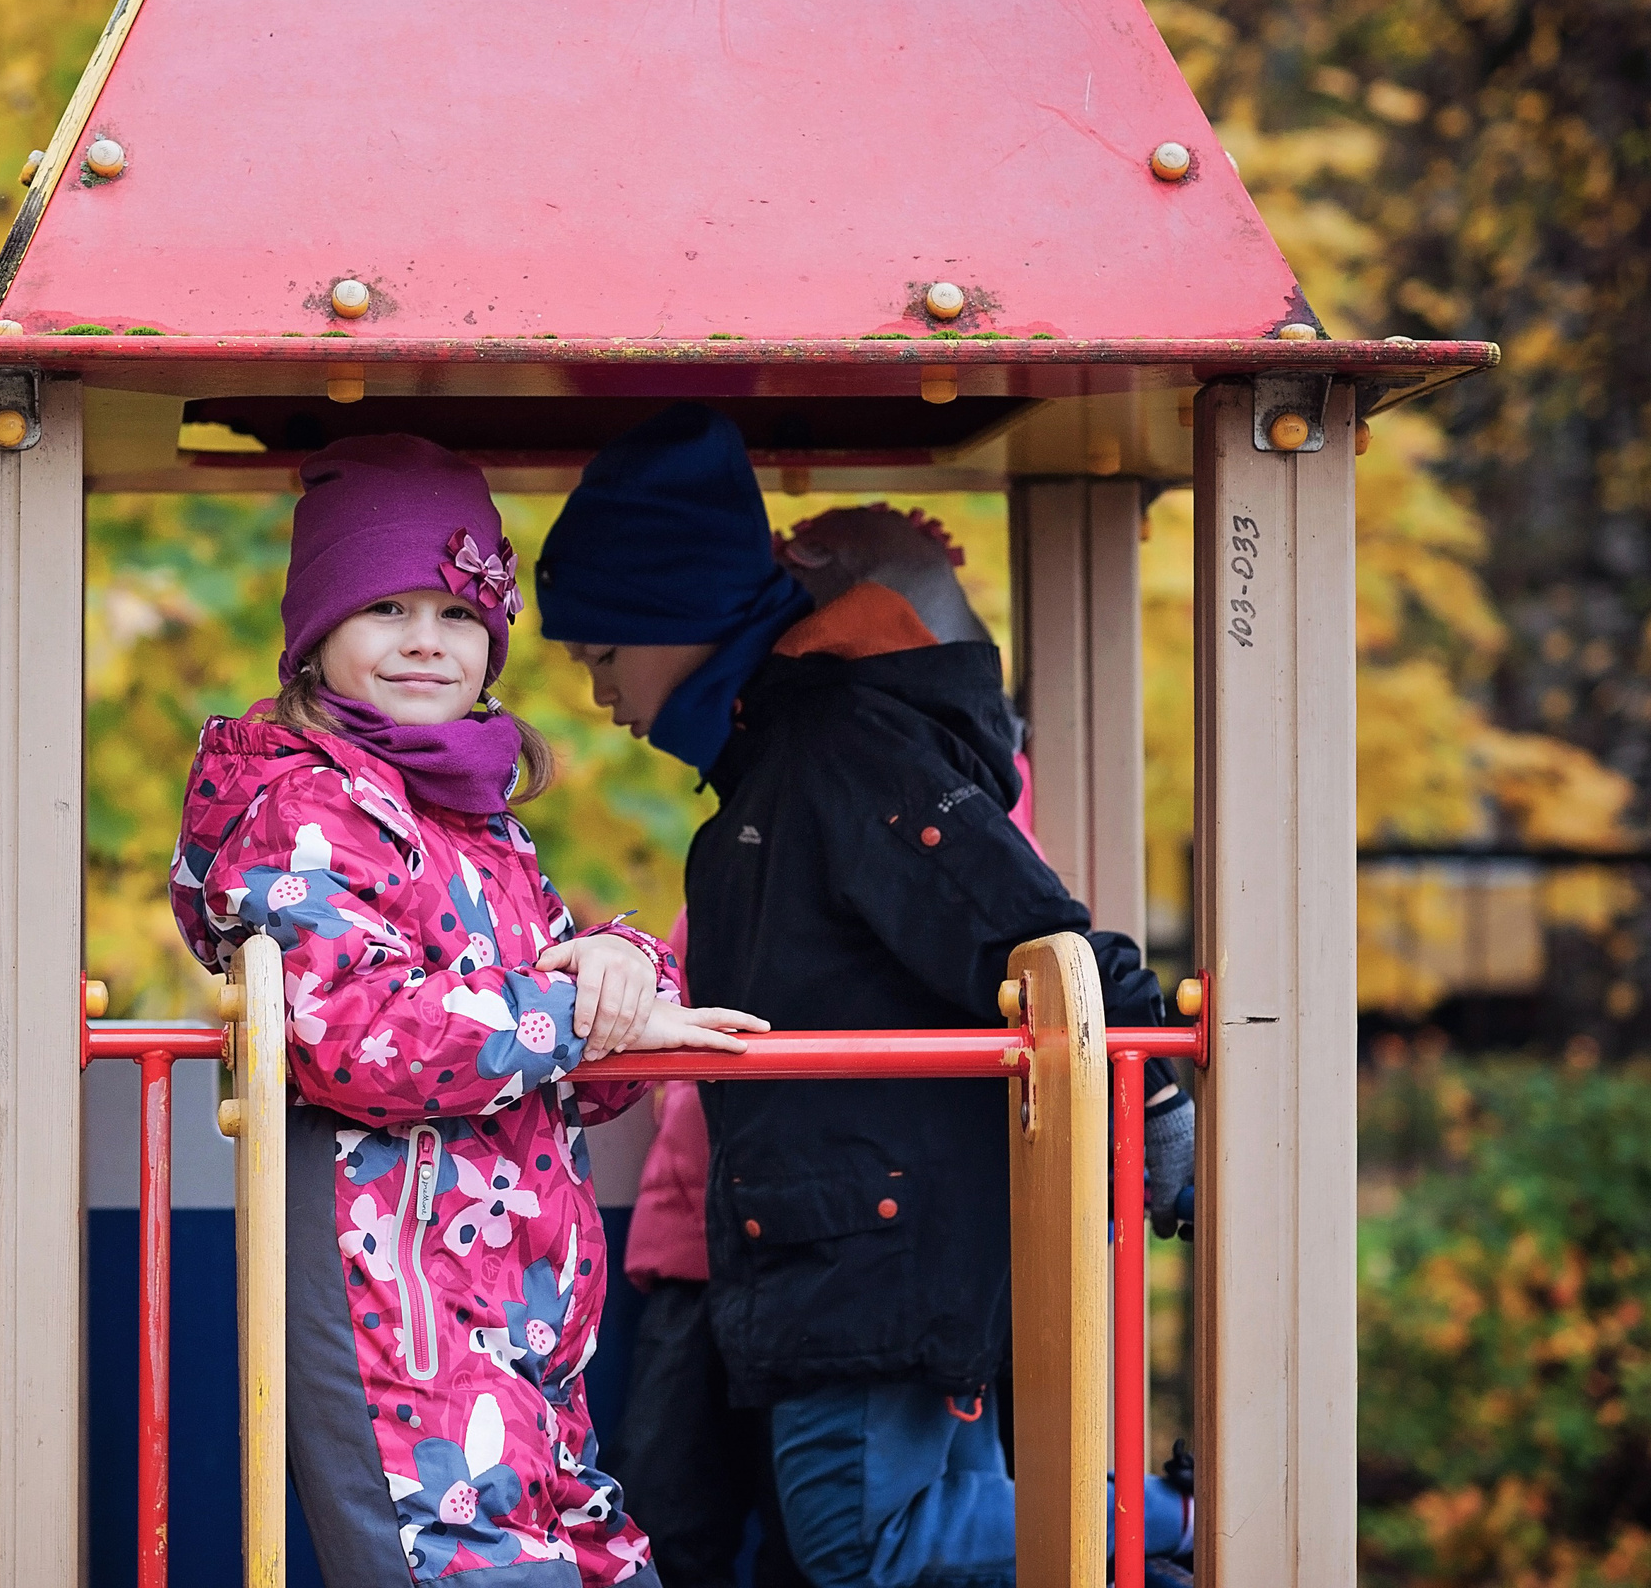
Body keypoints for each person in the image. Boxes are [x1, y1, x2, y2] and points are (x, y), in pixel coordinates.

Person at [534, 406, 1196, 1588]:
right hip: (837, 1239)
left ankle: (1175, 1522)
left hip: (873, 1245)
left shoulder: (835, 748)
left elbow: (1025, 928)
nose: (598, 696)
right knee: (855, 1537)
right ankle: (1156, 1524)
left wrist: (1149, 1093)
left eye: (602, 656)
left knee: (858, 1541)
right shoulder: (768, 778)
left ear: (676, 617)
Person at [169, 435, 766, 1588]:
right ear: (316, 635)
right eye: (384, 606)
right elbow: (360, 1038)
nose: (422, 641)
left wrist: (621, 972)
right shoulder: (300, 805)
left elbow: (565, 1046)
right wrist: (576, 1005)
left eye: (454, 612)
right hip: (393, 1304)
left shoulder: (476, 821)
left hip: (526, 1307)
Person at [612, 922, 808, 1588]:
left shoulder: (933, 831)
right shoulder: (732, 850)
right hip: (697, 1243)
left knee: (813, 1533)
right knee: (661, 1518)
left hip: (818, 1259)